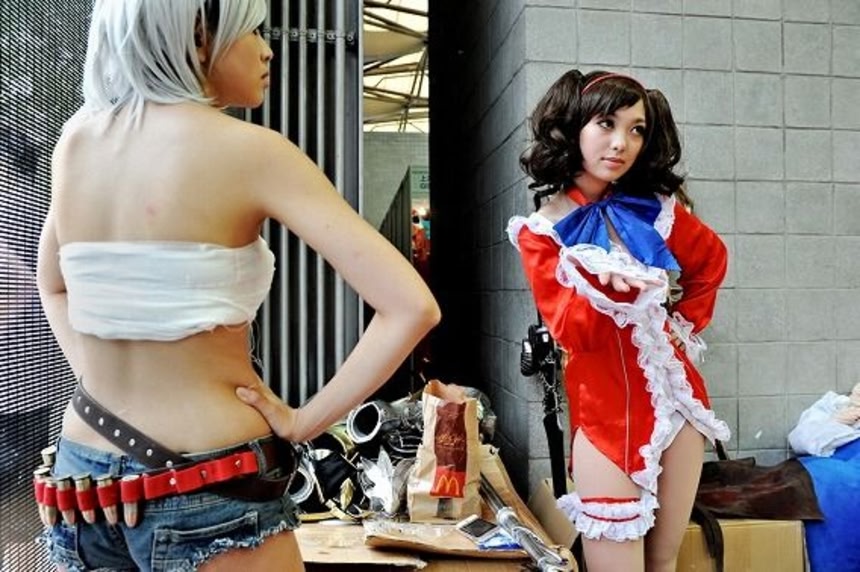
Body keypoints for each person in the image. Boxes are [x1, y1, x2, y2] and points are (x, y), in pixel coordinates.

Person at [35, 1, 440, 570]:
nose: (268, 49)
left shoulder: (76, 141)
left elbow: (52, 285)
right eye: (251, 30)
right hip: (208, 480)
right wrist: (304, 421)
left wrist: (100, 372)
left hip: (83, 471)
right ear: (199, 36)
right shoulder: (253, 150)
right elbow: (411, 306)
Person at [507, 70, 730, 572]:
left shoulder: (657, 210)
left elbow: (712, 260)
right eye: (606, 123)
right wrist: (606, 292)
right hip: (606, 416)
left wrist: (681, 324)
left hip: (678, 403)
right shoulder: (541, 231)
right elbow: (573, 332)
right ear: (574, 127)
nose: (621, 143)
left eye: (636, 129)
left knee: (664, 562)